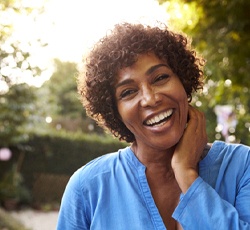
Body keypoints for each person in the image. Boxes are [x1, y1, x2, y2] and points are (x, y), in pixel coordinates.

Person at [56, 22, 250, 230]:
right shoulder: (88, 188)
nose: (150, 99)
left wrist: (186, 174)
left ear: (183, 81)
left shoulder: (241, 166)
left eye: (160, 78)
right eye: (128, 92)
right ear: (115, 112)